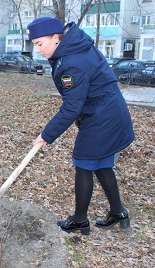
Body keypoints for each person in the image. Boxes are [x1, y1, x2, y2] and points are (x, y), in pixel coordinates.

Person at [28, 17, 135, 235]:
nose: (37, 50)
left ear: (56, 38)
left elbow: (71, 107)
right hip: (107, 111)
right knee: (102, 162)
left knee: (84, 162)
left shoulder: (72, 63)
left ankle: (79, 221)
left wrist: (47, 135)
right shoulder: (71, 48)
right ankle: (118, 212)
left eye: (39, 44)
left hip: (102, 117)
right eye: (34, 45)